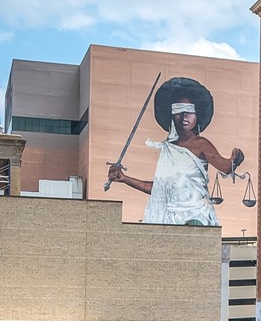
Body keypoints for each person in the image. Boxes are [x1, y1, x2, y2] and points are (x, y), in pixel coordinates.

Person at [105, 77, 244, 228]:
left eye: (189, 112)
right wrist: (125, 179)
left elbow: (225, 166)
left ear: (197, 115)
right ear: (171, 114)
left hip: (195, 214)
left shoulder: (201, 144)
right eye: (179, 110)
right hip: (169, 217)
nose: (184, 116)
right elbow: (159, 189)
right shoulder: (167, 149)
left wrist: (235, 157)